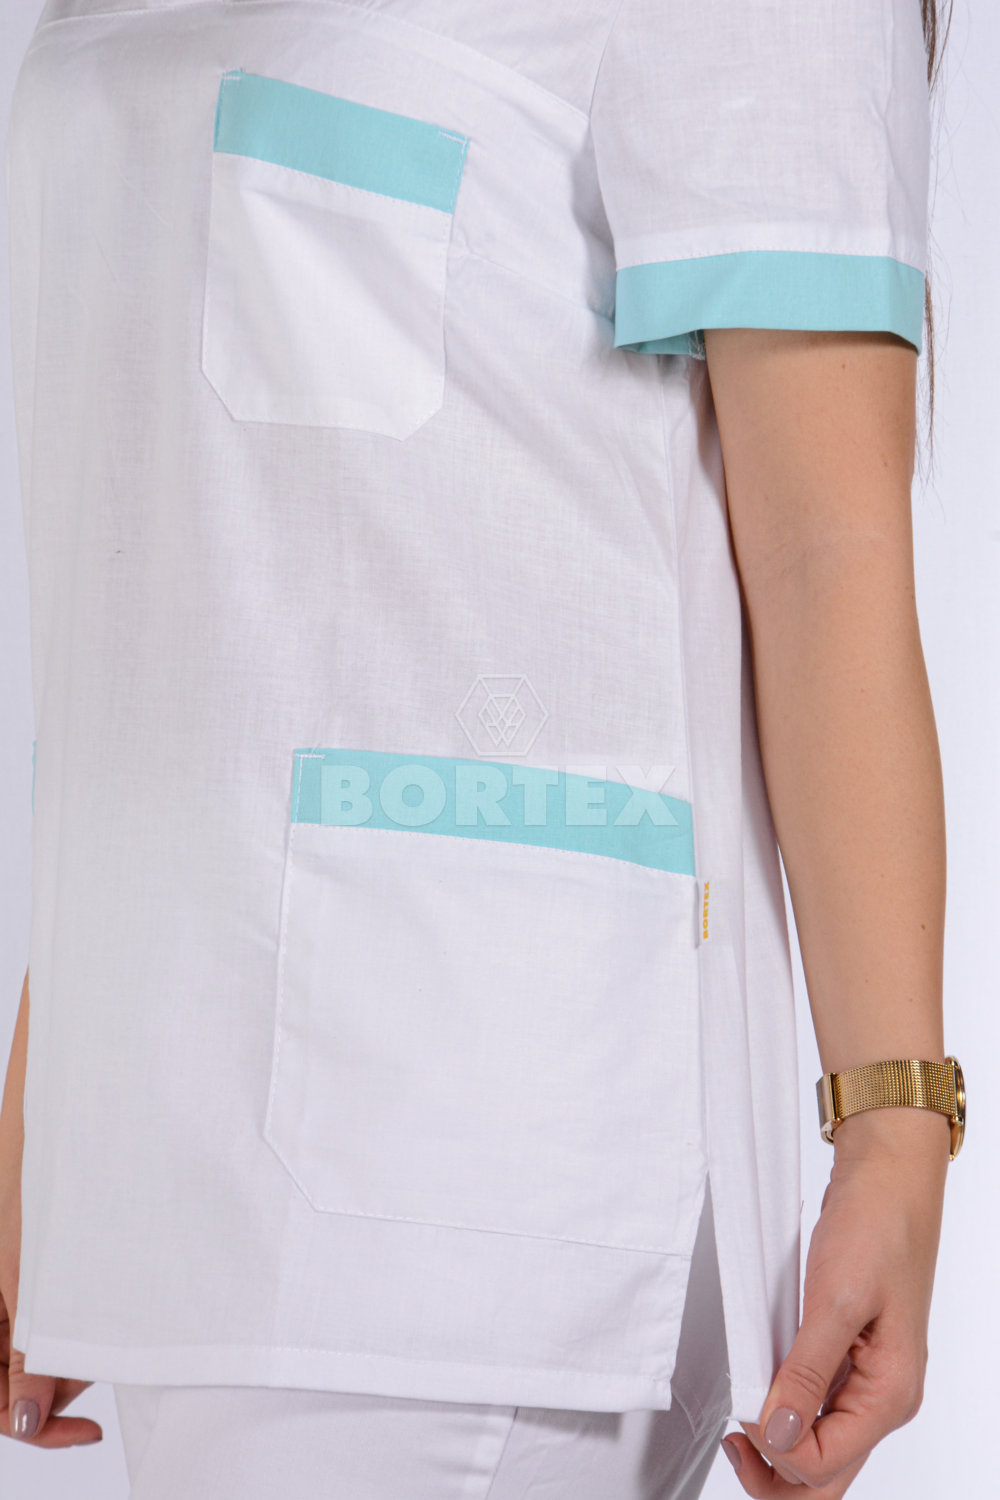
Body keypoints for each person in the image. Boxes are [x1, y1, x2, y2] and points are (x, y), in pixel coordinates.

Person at [0, 0, 963, 1496]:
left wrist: (896, 1123)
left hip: (471, 1143)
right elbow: (186, 543)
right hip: (177, 1124)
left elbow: (824, 554)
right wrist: (57, 1097)